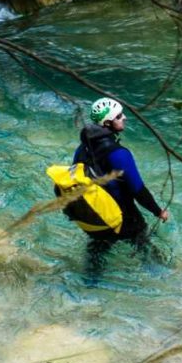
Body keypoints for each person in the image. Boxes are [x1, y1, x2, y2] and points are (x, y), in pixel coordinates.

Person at [74, 97, 170, 277]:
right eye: (119, 116)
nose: (124, 118)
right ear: (108, 122)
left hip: (96, 216)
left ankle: (90, 284)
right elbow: (138, 190)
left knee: (96, 254)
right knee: (146, 248)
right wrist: (158, 211)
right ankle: (164, 277)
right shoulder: (119, 154)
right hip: (124, 218)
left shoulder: (82, 149)